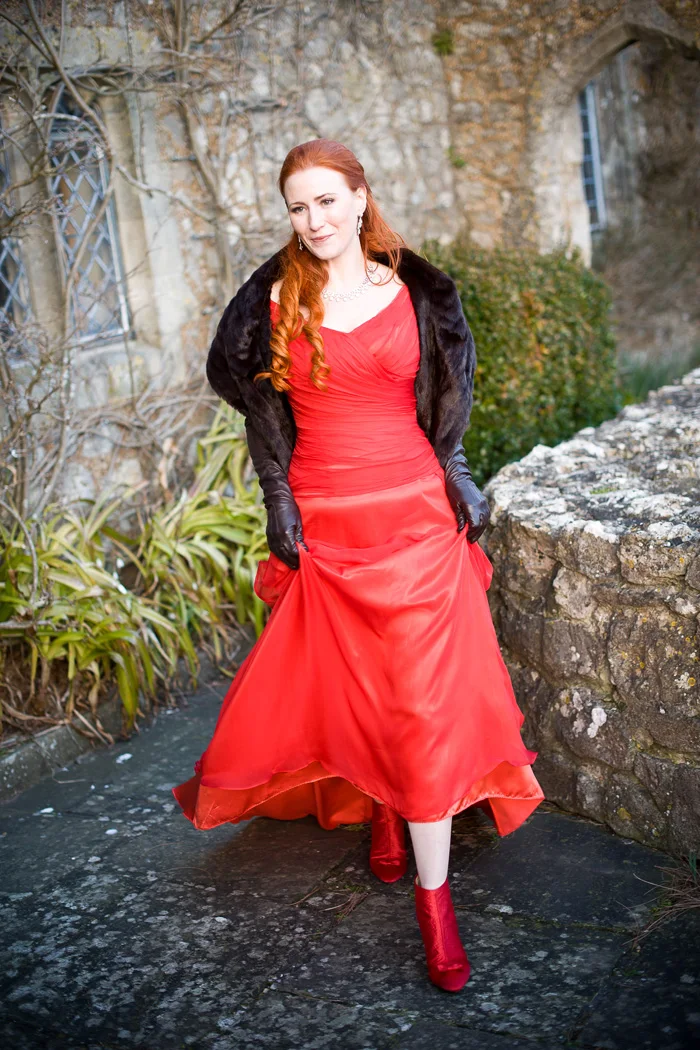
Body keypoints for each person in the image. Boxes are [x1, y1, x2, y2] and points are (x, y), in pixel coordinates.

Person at [173, 138, 545, 993]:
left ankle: (435, 903)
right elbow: (259, 414)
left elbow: (447, 397)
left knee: (421, 702)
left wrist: (457, 471)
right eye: (298, 207)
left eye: (327, 201)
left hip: (415, 517)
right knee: (361, 684)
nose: (315, 220)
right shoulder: (274, 300)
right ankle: (383, 806)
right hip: (329, 519)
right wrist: (279, 501)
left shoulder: (415, 290)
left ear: (360, 197)